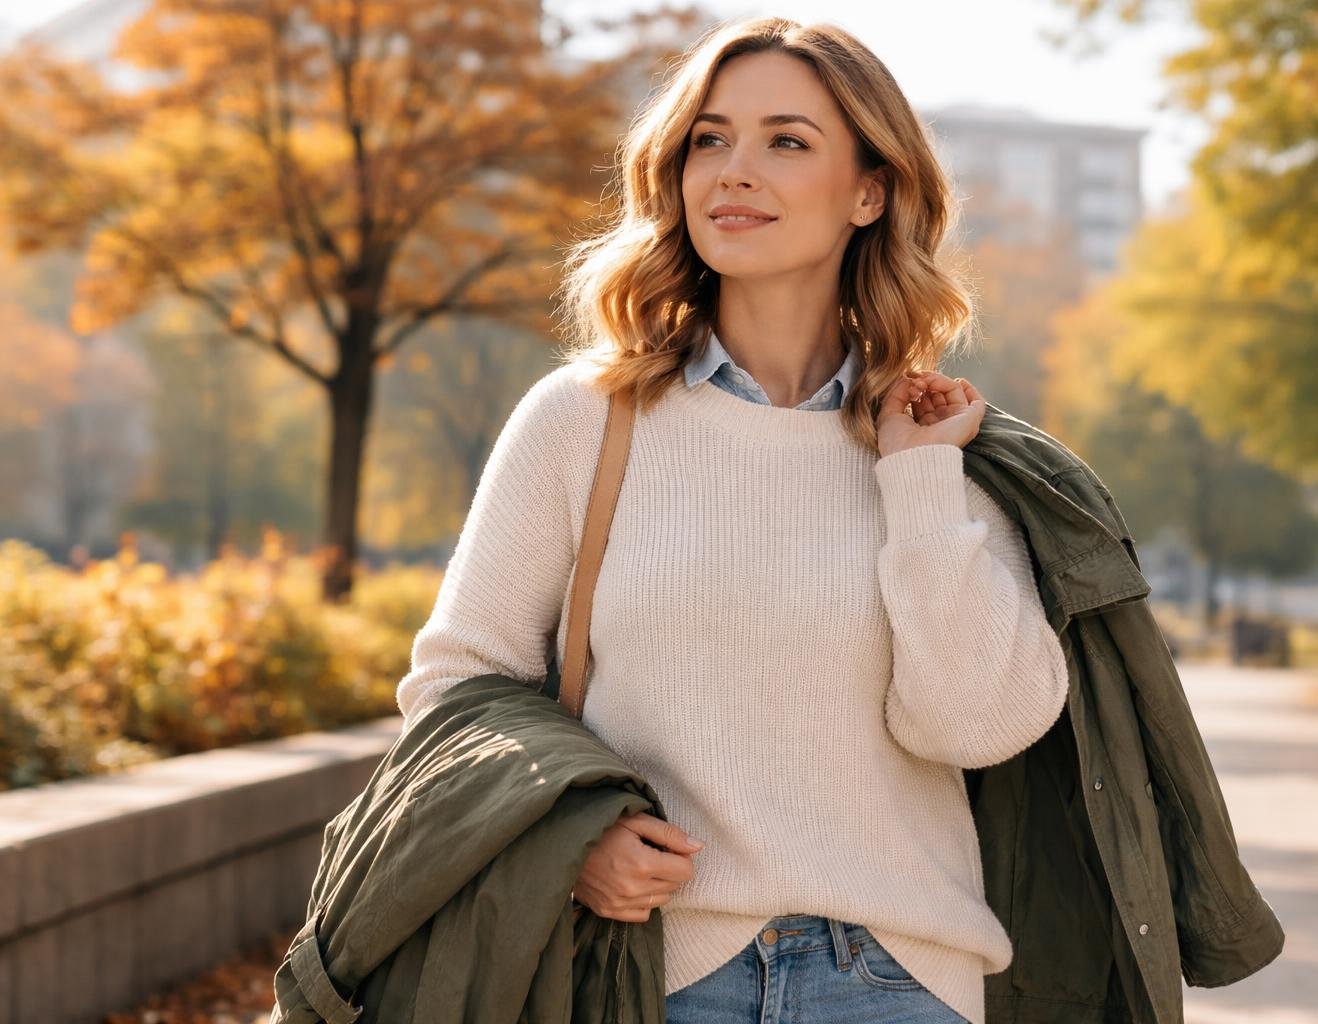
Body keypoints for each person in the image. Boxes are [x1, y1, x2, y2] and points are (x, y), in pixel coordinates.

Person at [394, 16, 1070, 1024]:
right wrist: (570, 837)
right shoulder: (583, 420)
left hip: (901, 984)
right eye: (709, 139)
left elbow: (974, 726)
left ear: (869, 191)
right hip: (649, 977)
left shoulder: (938, 442)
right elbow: (455, 682)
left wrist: (920, 484)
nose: (733, 171)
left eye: (786, 141)